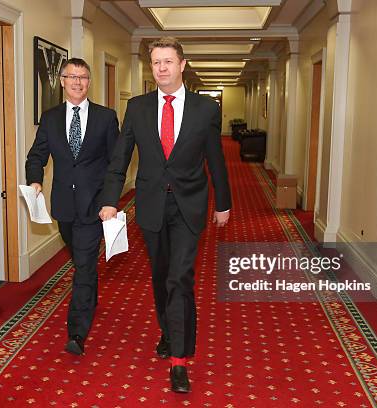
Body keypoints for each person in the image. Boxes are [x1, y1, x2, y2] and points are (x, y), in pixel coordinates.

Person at [99, 37, 231, 393]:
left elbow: (215, 157)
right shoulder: (138, 107)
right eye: (156, 62)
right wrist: (111, 199)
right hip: (152, 206)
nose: (162, 68)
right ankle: (168, 331)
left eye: (168, 61)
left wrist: (224, 202)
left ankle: (179, 360)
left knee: (180, 280)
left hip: (189, 205)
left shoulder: (205, 109)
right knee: (161, 278)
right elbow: (120, 158)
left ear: (182, 64)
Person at [26, 58, 119, 355]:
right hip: (64, 205)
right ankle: (90, 295)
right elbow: (36, 155)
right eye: (72, 77)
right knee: (80, 259)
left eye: (83, 77)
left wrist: (109, 200)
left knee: (83, 265)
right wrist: (35, 180)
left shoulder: (106, 117)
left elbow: (116, 162)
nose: (78, 82)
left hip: (94, 205)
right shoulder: (51, 117)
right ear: (62, 81)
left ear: (89, 83)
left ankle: (77, 333)